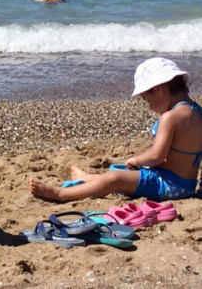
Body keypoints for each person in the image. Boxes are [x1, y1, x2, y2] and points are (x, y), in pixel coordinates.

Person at [30, 57, 202, 203]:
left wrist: (137, 159)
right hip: (187, 185)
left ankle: (61, 194)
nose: (150, 106)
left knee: (116, 178)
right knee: (121, 173)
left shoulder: (170, 118)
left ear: (158, 88)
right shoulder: (197, 112)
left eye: (147, 100)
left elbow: (157, 155)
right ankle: (87, 179)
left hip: (168, 186)